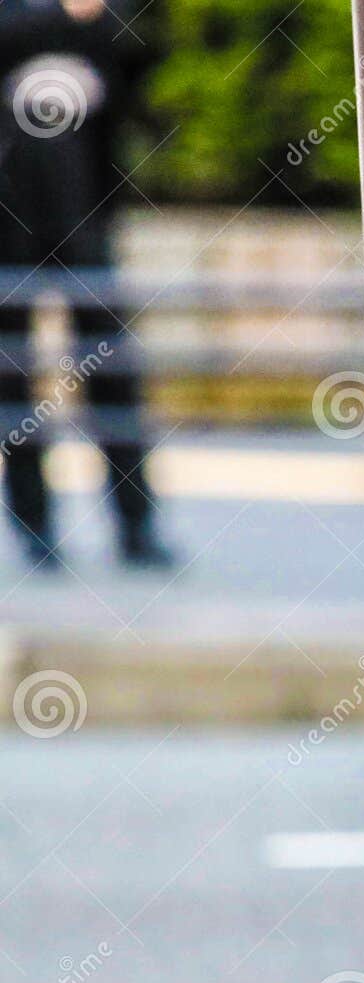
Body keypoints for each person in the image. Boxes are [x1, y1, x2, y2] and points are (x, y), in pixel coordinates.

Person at [0, 0, 173, 570]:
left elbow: (142, 53)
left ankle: (136, 526)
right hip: (10, 227)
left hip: (86, 220)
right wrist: (67, 13)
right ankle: (34, 531)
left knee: (113, 373)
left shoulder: (112, 19)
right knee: (12, 377)